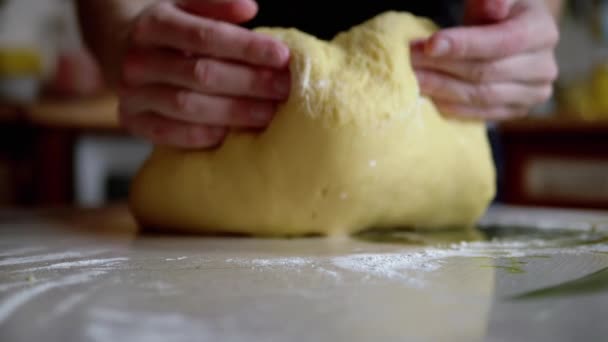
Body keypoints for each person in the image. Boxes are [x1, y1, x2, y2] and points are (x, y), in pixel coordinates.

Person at [76, 0, 562, 148]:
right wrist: (124, 35)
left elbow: (534, 6)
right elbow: (118, 14)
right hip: (211, 131)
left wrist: (525, 28)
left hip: (446, 128)